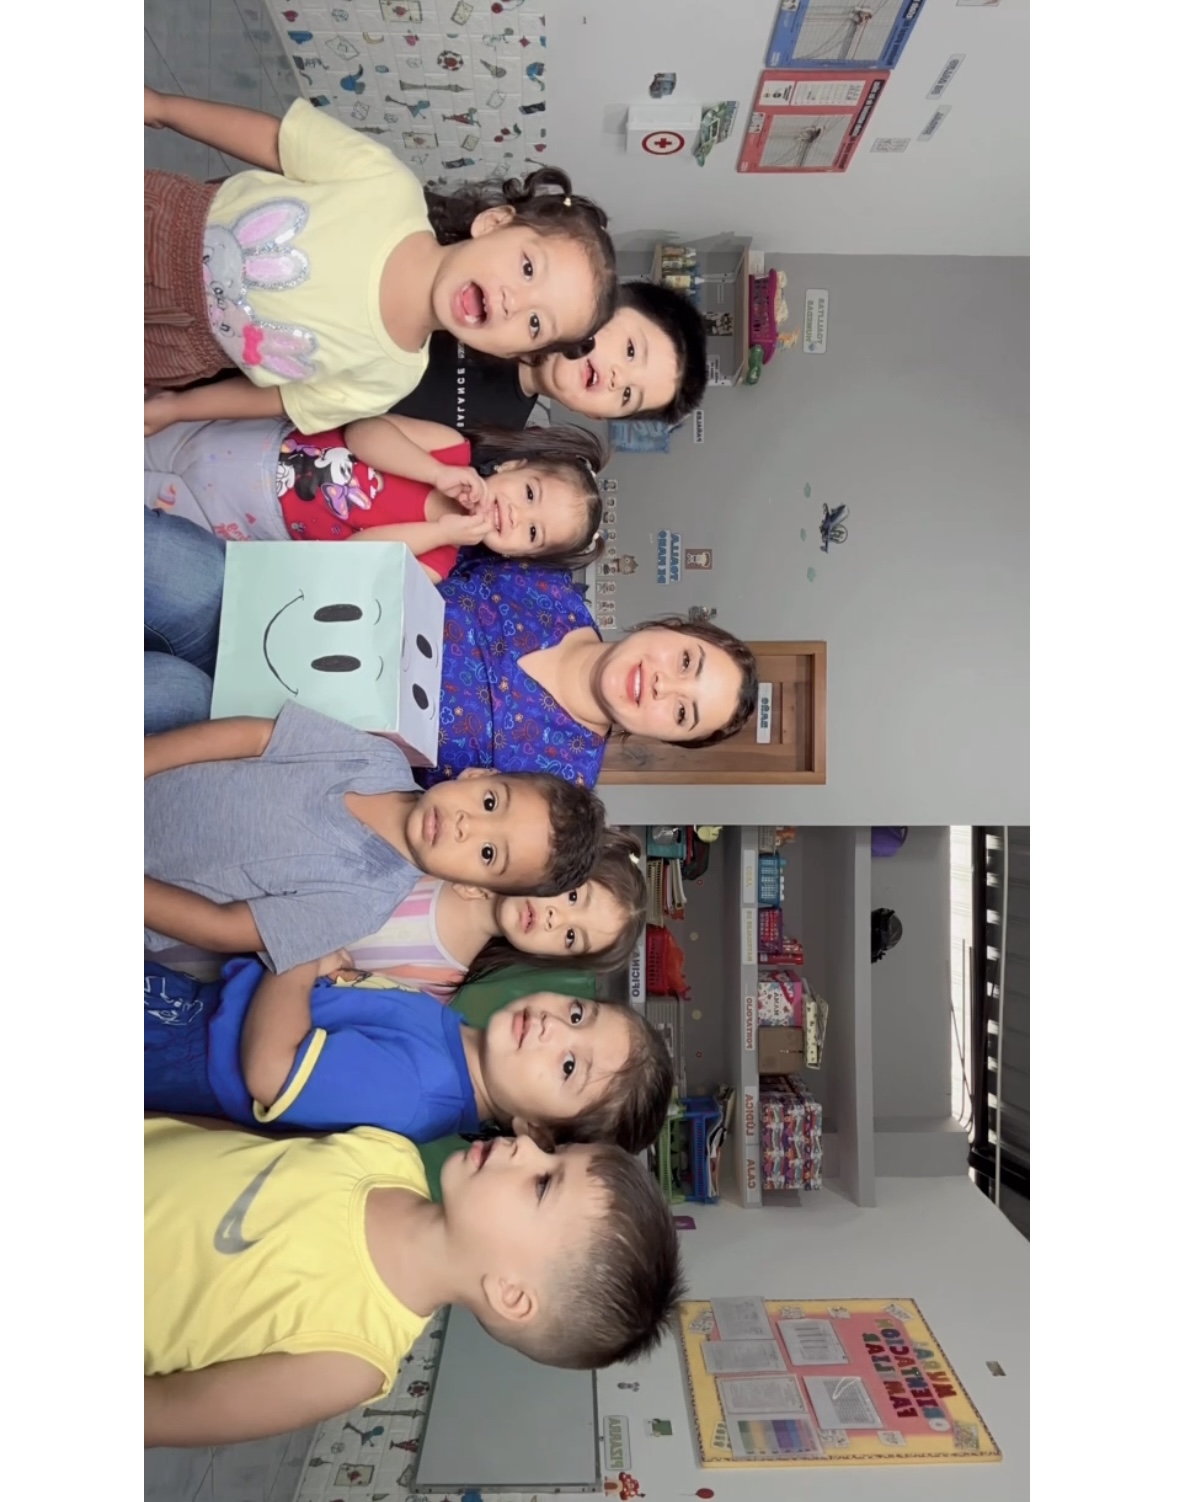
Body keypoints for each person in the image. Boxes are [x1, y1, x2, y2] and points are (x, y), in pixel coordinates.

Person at [145, 1117, 685, 1444]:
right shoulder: (388, 1152)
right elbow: (233, 1143)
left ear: (511, 1294)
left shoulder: (351, 1361)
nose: (525, 1145)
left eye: (543, 1183)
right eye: (554, 1150)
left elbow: (160, 1414)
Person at [142, 511, 759, 782]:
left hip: (255, 720)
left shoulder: (559, 780)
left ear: (666, 739)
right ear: (671, 628)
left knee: (168, 693)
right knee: (173, 564)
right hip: (273, 599)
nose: (664, 684)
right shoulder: (547, 587)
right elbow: (429, 546)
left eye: (683, 712)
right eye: (687, 661)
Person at [144, 86, 616, 432]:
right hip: (164, 230)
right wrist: (163, 109)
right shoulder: (387, 186)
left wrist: (178, 409)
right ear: (493, 223)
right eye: (528, 268)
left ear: (512, 354)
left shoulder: (390, 379)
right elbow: (275, 142)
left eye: (535, 324)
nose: (516, 301)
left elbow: (284, 399)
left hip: (175, 347)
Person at [144, 702, 606, 972]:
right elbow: (258, 737)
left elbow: (221, 927)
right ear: (478, 774)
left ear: (472, 888)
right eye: (489, 803)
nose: (468, 825)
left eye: (488, 853)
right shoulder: (379, 758)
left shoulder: (361, 907)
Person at [144, 953, 672, 1155]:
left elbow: (270, 1070)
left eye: (569, 1066)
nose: (553, 1028)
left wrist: (300, 950)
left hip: (179, 1044)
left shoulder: (418, 1093)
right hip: (190, 1007)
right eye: (578, 1014)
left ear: (535, 1131)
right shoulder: (451, 1033)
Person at [144, 413, 607, 580]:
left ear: (518, 554)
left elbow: (354, 556)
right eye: (529, 493)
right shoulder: (450, 449)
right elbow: (363, 432)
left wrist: (440, 532)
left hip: (240, 520)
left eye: (532, 532)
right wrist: (435, 472)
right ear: (511, 466)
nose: (516, 514)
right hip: (249, 445)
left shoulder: (436, 562)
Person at [344, 826, 647, 994]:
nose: (555, 919)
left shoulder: (438, 985)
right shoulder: (446, 833)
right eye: (573, 896)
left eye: (571, 937)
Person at [390, 280, 709, 430]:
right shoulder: (497, 283)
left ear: (597, 416)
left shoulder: (492, 443)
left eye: (627, 395)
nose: (617, 378)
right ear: (604, 302)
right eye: (630, 351)